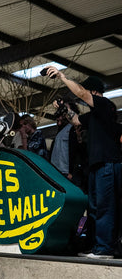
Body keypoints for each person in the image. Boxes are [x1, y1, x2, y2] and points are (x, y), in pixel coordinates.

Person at [46, 67, 122, 259]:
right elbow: (77, 121)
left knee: (105, 207)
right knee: (94, 208)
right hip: (97, 166)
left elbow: (80, 91)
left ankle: (105, 249)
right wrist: (65, 109)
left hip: (107, 163)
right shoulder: (94, 115)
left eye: (87, 92)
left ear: (94, 91)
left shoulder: (105, 105)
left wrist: (62, 77)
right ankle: (97, 246)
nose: (82, 97)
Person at [49, 100, 88, 191]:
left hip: (68, 174)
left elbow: (80, 151)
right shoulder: (60, 131)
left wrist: (73, 173)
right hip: (57, 173)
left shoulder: (75, 129)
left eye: (65, 109)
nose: (62, 112)